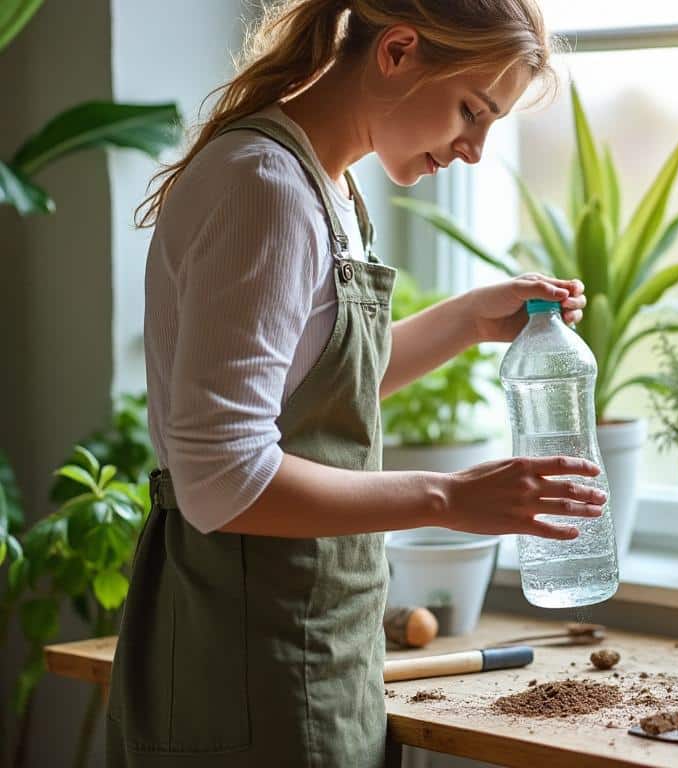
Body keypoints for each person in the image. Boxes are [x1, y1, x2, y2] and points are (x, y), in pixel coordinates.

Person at [105, 2, 602, 765]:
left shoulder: (328, 189)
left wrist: (469, 319)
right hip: (247, 660)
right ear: (398, 51)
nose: (473, 151)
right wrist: (447, 497)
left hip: (314, 649)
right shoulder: (265, 188)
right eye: (472, 111)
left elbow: (316, 386)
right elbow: (220, 478)